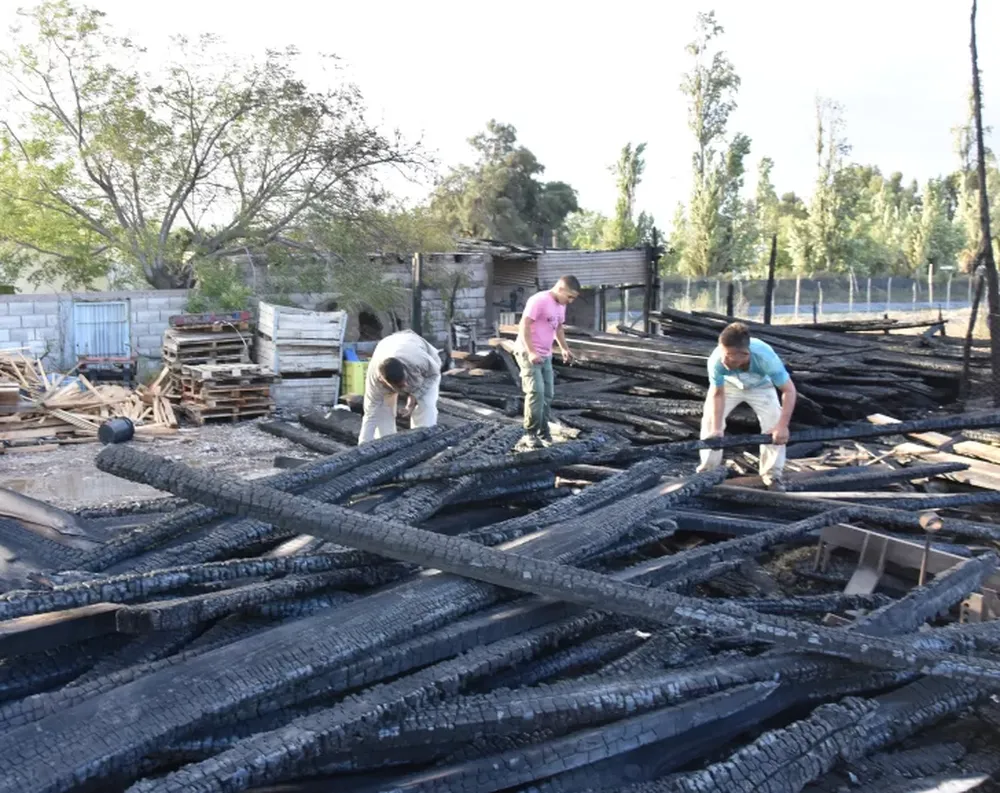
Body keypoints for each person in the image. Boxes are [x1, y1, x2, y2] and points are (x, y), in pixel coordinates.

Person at [695, 321, 797, 490]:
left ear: (744, 354)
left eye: (728, 355)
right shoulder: (716, 361)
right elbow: (717, 393)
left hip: (761, 386)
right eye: (723, 352)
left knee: (774, 422)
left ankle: (772, 475)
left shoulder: (766, 358)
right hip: (729, 386)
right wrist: (717, 428)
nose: (723, 358)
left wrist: (782, 426)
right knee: (710, 423)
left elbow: (789, 391)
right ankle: (707, 472)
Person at [514, 275, 581, 450]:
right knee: (536, 392)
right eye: (570, 296)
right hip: (529, 353)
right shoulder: (539, 300)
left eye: (574, 298)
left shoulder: (561, 305)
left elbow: (558, 328)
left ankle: (543, 432)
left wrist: (565, 349)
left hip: (546, 354)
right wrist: (531, 352)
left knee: (548, 394)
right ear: (560, 289)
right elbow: (524, 325)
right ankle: (530, 433)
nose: (571, 301)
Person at [358, 329, 442, 444]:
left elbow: (434, 374)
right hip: (386, 346)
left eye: (405, 382)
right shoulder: (375, 382)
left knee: (426, 405)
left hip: (418, 354)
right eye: (401, 386)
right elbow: (371, 414)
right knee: (383, 411)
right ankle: (386, 444)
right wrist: (362, 445)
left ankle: (424, 442)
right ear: (385, 382)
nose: (406, 386)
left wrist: (414, 397)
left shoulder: (418, 360)